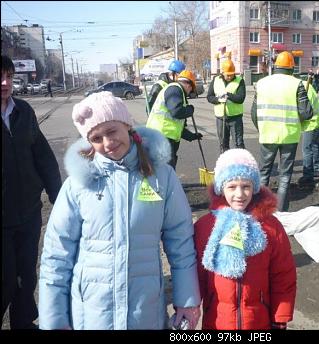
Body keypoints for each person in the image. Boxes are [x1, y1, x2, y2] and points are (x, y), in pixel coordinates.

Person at [38, 91, 201, 330]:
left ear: (127, 126)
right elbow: (56, 254)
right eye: (96, 138)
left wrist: (187, 301)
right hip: (91, 313)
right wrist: (54, 320)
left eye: (112, 131)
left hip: (145, 310)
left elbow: (181, 242)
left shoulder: (162, 177)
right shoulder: (78, 184)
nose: (107, 142)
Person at [194, 148, 297, 330]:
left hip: (258, 321)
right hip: (217, 320)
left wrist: (280, 316)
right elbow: (197, 276)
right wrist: (191, 307)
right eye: (232, 187)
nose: (240, 194)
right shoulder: (206, 227)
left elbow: (283, 275)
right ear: (221, 188)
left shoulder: (270, 227)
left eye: (246, 186)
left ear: (255, 188)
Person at [2, 55, 62, 329]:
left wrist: (57, 196)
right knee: (5, 278)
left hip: (28, 213)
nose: (5, 83)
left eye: (9, 76)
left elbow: (43, 156)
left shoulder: (23, 111)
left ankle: (24, 324)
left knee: (27, 276)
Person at [251, 51, 313, 211]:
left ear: (276, 66)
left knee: (264, 174)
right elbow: (307, 113)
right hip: (289, 136)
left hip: (267, 135)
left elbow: (253, 113)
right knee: (285, 177)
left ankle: (258, 210)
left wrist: (262, 128)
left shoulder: (262, 83)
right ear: (292, 67)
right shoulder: (297, 84)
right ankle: (281, 213)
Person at [146, 69, 202, 169]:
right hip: (161, 137)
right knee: (165, 170)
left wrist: (192, 136)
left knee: (165, 169)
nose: (190, 93)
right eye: (191, 90)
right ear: (189, 85)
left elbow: (176, 124)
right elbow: (177, 112)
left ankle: (168, 184)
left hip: (163, 136)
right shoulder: (175, 90)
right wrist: (190, 110)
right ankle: (167, 184)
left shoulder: (176, 92)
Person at [207, 59, 246, 153]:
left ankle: (241, 165)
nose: (229, 76)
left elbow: (241, 98)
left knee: (238, 143)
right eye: (227, 74)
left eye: (231, 74)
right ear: (222, 72)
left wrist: (228, 95)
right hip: (221, 118)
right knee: (223, 144)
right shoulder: (216, 80)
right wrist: (218, 100)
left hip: (235, 118)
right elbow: (209, 97)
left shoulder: (239, 81)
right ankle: (225, 165)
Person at [297, 79, 319, 186]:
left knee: (307, 148)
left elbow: (304, 111)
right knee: (314, 144)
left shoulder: (299, 88)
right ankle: (317, 167)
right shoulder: (304, 85)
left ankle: (308, 175)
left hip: (311, 122)